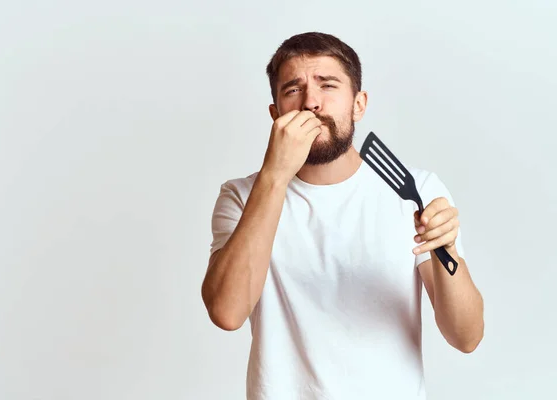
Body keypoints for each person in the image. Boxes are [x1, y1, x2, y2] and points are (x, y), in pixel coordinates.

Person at [201, 31, 484, 400]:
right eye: (292, 90)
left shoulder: (416, 192)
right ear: (275, 114)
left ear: (359, 104)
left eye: (328, 85)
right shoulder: (240, 197)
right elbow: (227, 312)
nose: (311, 103)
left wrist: (445, 249)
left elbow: (466, 336)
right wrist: (274, 175)